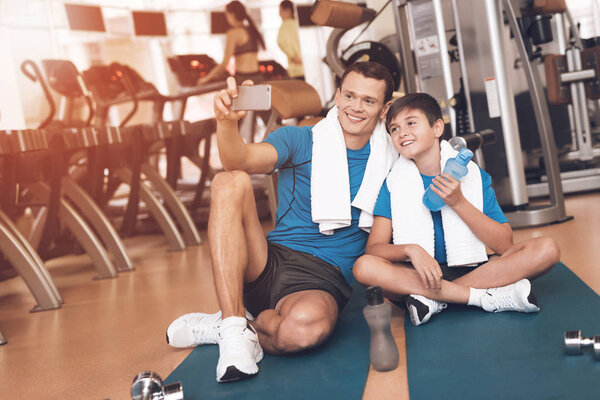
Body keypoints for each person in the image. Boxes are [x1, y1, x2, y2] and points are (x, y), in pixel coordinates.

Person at [166, 62, 397, 383]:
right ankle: (234, 329)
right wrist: (226, 123)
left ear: (385, 108)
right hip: (268, 261)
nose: (356, 107)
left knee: (301, 331)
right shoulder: (300, 139)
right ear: (338, 94)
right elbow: (239, 160)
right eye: (350, 96)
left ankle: (234, 325)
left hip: (322, 278)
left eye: (368, 101)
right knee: (228, 181)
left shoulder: (392, 157)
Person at [353, 93, 561, 326]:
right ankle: (480, 297)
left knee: (546, 249)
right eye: (394, 129)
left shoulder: (472, 175)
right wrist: (412, 250)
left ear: (437, 128)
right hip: (417, 276)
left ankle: (434, 300)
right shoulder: (393, 182)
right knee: (364, 267)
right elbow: (374, 249)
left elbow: (504, 245)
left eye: (411, 123)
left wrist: (458, 202)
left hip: (471, 269)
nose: (402, 133)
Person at [199, 1, 265, 85]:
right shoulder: (251, 30)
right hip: (258, 77)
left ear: (232, 14)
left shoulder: (233, 33)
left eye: (226, 15)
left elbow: (225, 63)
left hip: (243, 79)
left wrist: (206, 79)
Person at [277, 1, 305, 80]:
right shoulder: (299, 24)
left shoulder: (285, 25)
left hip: (295, 70)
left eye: (280, 11)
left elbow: (280, 42)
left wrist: (293, 56)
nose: (279, 14)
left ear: (288, 11)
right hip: (307, 68)